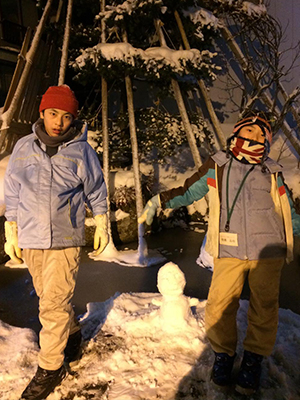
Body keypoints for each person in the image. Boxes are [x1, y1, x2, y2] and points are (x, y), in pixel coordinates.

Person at [138, 111, 300, 395]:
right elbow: (190, 192)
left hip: (268, 251)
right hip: (229, 248)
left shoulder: (272, 170)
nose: (253, 137)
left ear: (268, 140)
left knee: (264, 308)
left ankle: (253, 360)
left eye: (260, 134)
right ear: (237, 132)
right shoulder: (219, 165)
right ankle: (224, 355)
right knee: (219, 306)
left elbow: (289, 212)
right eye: (248, 131)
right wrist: (159, 201)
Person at [4, 85, 109, 400]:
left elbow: (96, 189)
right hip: (32, 238)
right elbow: (12, 189)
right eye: (53, 114)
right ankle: (73, 334)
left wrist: (101, 221)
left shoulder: (81, 151)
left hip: (65, 239)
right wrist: (11, 227)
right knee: (51, 299)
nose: (59, 122)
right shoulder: (24, 147)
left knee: (51, 304)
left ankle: (50, 368)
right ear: (42, 113)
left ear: (72, 119)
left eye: (66, 116)